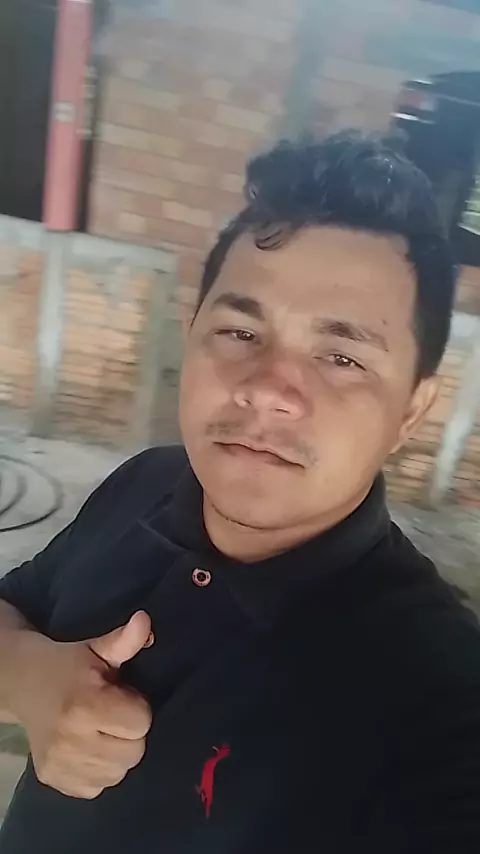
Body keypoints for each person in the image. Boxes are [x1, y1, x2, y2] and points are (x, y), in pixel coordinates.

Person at [0, 131, 478, 854]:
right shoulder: (145, 483)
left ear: (411, 411)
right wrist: (28, 676)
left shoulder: (440, 699)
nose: (267, 390)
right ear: (191, 334)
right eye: (241, 331)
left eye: (341, 356)